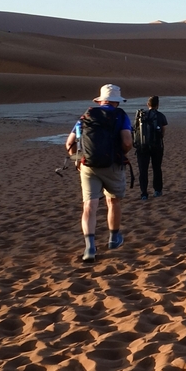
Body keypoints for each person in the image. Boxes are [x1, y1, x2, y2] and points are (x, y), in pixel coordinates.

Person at [65, 84, 133, 263]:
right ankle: (114, 239)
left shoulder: (86, 115)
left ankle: (90, 247)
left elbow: (69, 144)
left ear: (101, 100)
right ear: (116, 101)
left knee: (89, 206)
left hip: (88, 165)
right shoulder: (120, 115)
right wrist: (121, 154)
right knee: (113, 201)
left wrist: (78, 160)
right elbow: (127, 141)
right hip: (112, 165)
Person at [135, 95, 168, 199]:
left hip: (142, 147)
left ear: (147, 104)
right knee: (156, 168)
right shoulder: (160, 116)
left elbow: (135, 130)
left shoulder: (141, 116)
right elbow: (162, 132)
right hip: (157, 146)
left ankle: (144, 193)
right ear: (157, 105)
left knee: (143, 170)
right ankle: (157, 191)